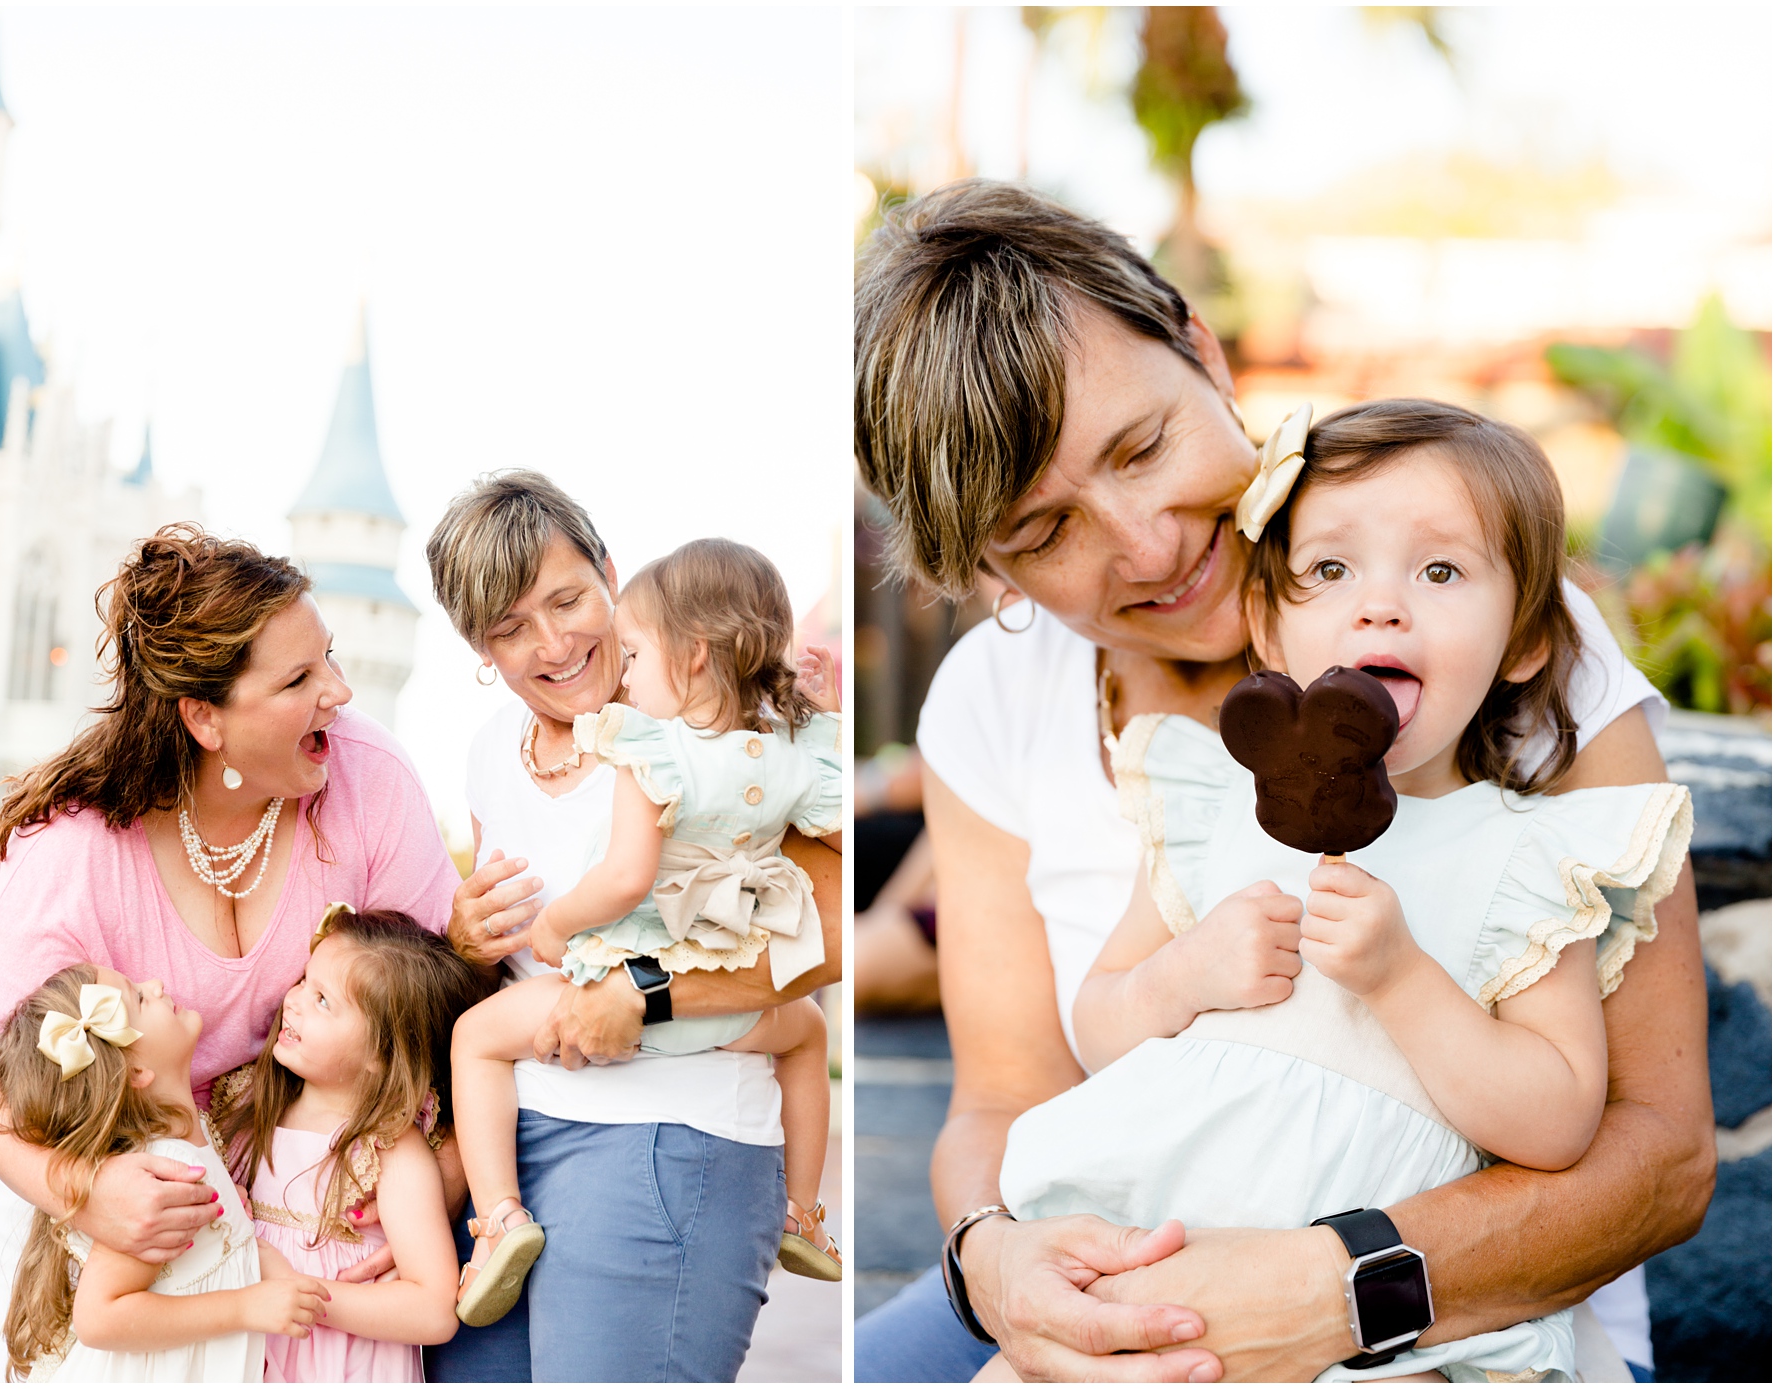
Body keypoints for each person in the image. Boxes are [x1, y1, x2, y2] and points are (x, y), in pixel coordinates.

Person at [853, 181, 1711, 1383]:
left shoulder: (1476, 633)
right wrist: (995, 1266)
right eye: (1044, 532)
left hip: (1451, 1326)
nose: (1149, 546)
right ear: (987, 572)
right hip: (1123, 1294)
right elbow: (1004, 1100)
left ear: (1201, 348)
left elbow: (1661, 1157)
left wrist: (1336, 1289)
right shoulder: (997, 708)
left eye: (1145, 446)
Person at [990, 400, 1693, 1382]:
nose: (1381, 605)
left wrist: (1404, 980)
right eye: (1330, 570)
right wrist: (1184, 975)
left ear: (1527, 641)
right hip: (1160, 1272)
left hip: (1400, 1341)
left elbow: (1562, 1119)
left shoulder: (1527, 859)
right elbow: (1100, 1027)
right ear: (1268, 631)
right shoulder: (1215, 818)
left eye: (1440, 571)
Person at [0, 525, 462, 1383]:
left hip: (248, 1179)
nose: (338, 690)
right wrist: (82, 1192)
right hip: (68, 1159)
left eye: (326, 655)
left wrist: (426, 1190)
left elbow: (445, 1001)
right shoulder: (76, 847)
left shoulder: (366, 777)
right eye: (297, 679)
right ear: (203, 717)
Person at [420, 472, 844, 1383]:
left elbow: (828, 940)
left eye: (569, 599)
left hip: (665, 1134)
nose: (554, 642)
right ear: (478, 647)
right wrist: (464, 933)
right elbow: (508, 947)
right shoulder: (491, 749)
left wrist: (644, 997)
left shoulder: (734, 728)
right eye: (509, 628)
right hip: (510, 1149)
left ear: (612, 573)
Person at [0, 965, 329, 1382]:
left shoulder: (190, 1136)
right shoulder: (158, 1174)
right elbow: (101, 1317)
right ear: (135, 1073)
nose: (157, 985)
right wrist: (246, 1306)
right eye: (139, 998)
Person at [215, 906, 490, 1381]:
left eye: (322, 1000)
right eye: (304, 980)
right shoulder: (246, 1113)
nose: (294, 1001)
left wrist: (300, 1293)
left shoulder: (387, 1152)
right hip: (247, 1356)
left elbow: (433, 1309)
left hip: (340, 1365)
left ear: (382, 1055)